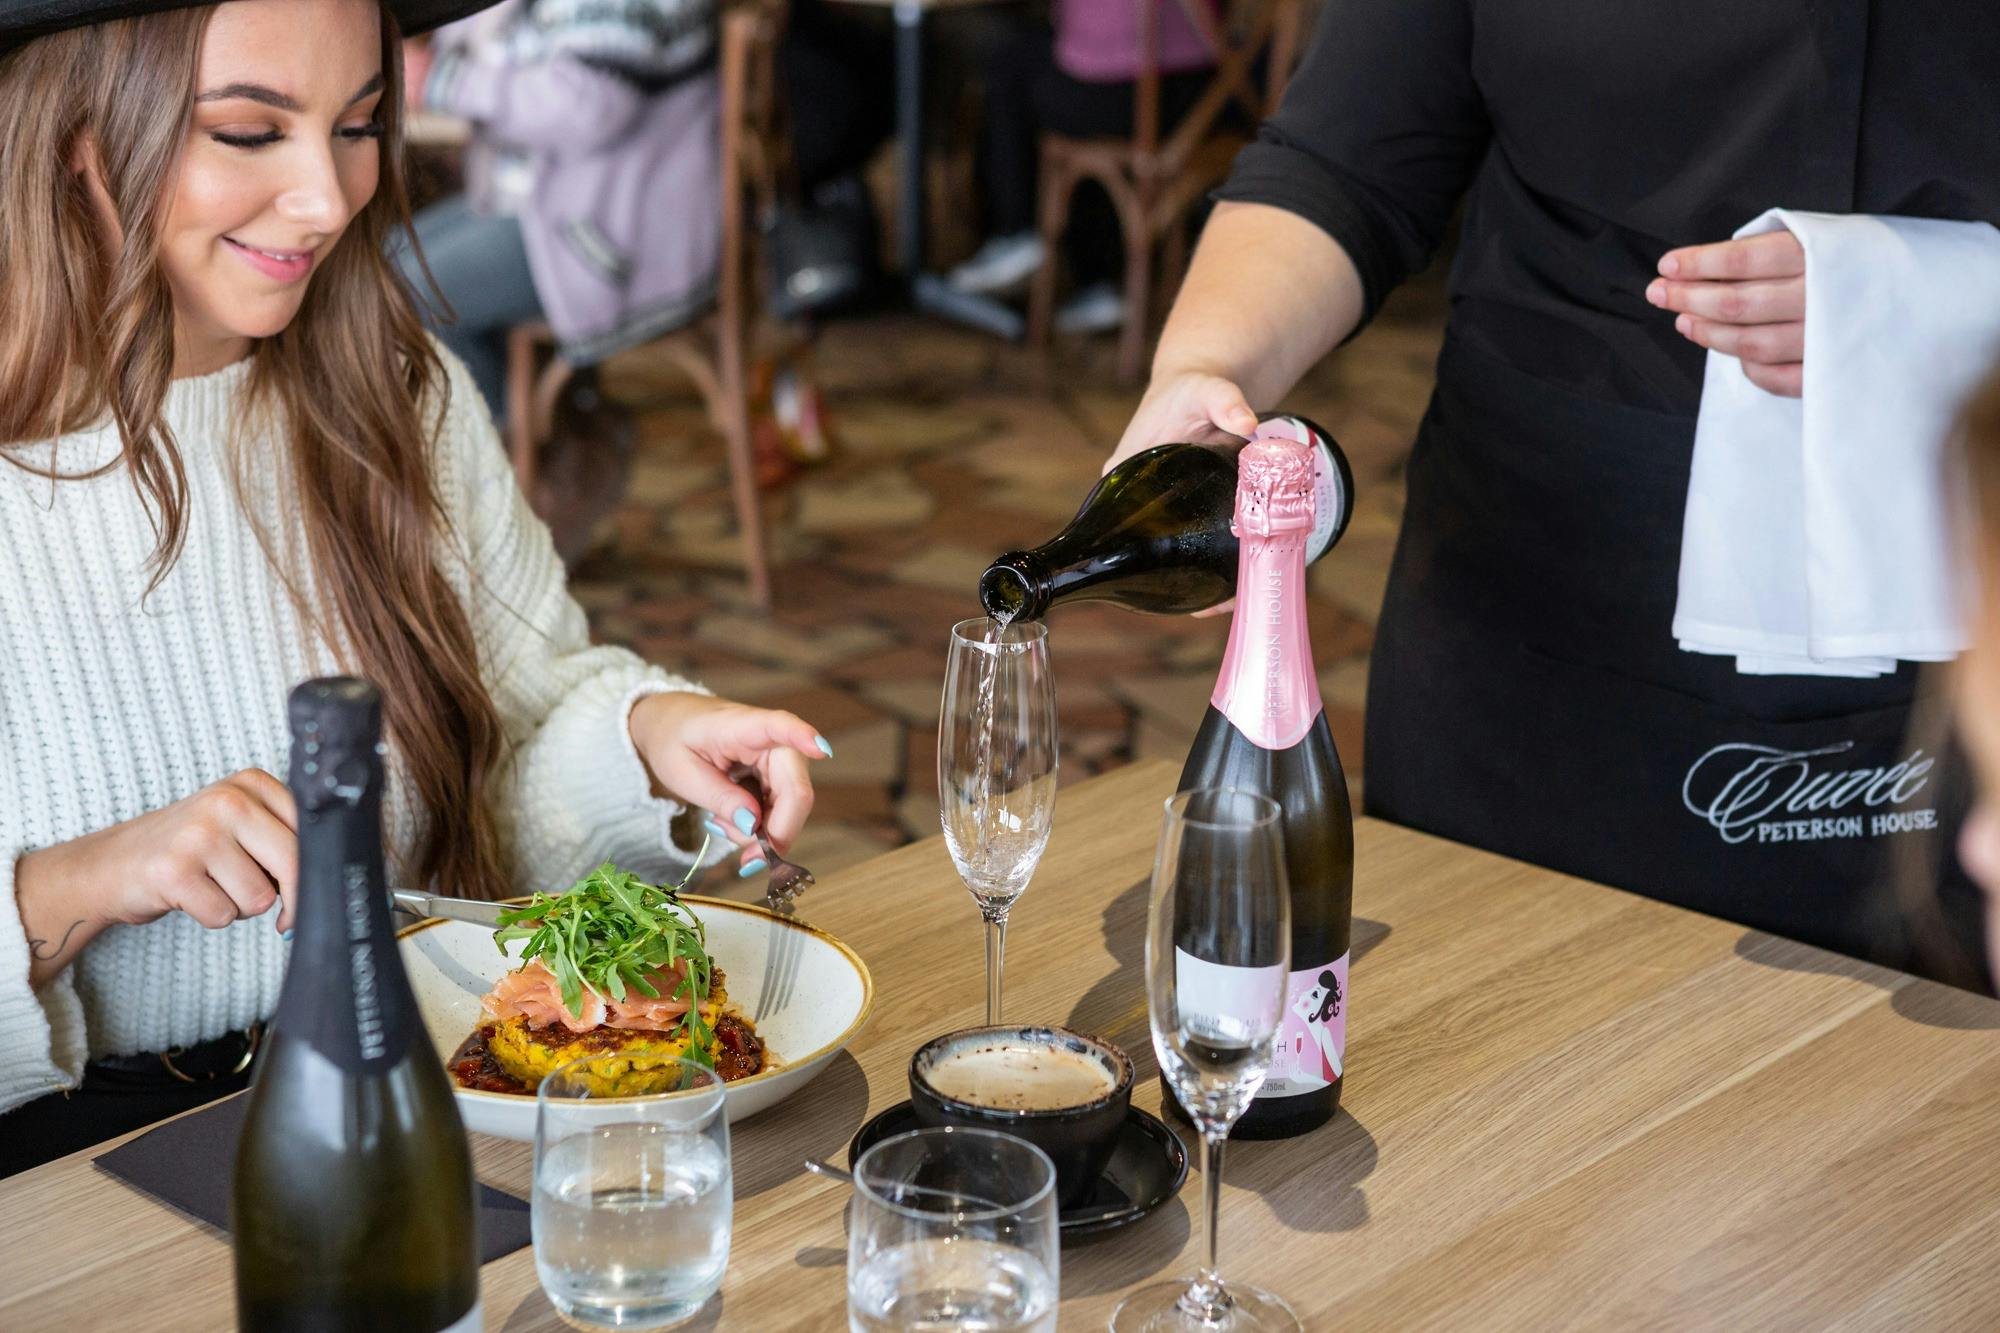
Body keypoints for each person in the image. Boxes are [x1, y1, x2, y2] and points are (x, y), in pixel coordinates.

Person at [0, 0, 818, 1175]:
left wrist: (644, 737)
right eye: (246, 131)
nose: (330, 200)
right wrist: (76, 886)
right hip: (74, 1170)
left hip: (431, 1088)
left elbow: (519, 726)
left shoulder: (393, 380)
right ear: (73, 127)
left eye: (359, 124)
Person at [1102, 2, 2000, 983]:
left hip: (1965, 595)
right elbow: (1342, 158)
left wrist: (1936, 304)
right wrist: (1199, 365)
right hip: (1536, 580)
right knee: (1492, 1030)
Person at [397, 0, 722, 424]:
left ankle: (500, 456)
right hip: (551, 205)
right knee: (380, 261)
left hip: (607, 237)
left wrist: (443, 79)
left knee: (404, 290)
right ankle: (538, 430)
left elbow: (589, 106)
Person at [948, 0, 1217, 334]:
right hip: (1207, 88)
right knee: (1059, 63)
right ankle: (1100, 280)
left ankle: (1017, 231)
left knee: (1012, 64)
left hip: (1123, 92)